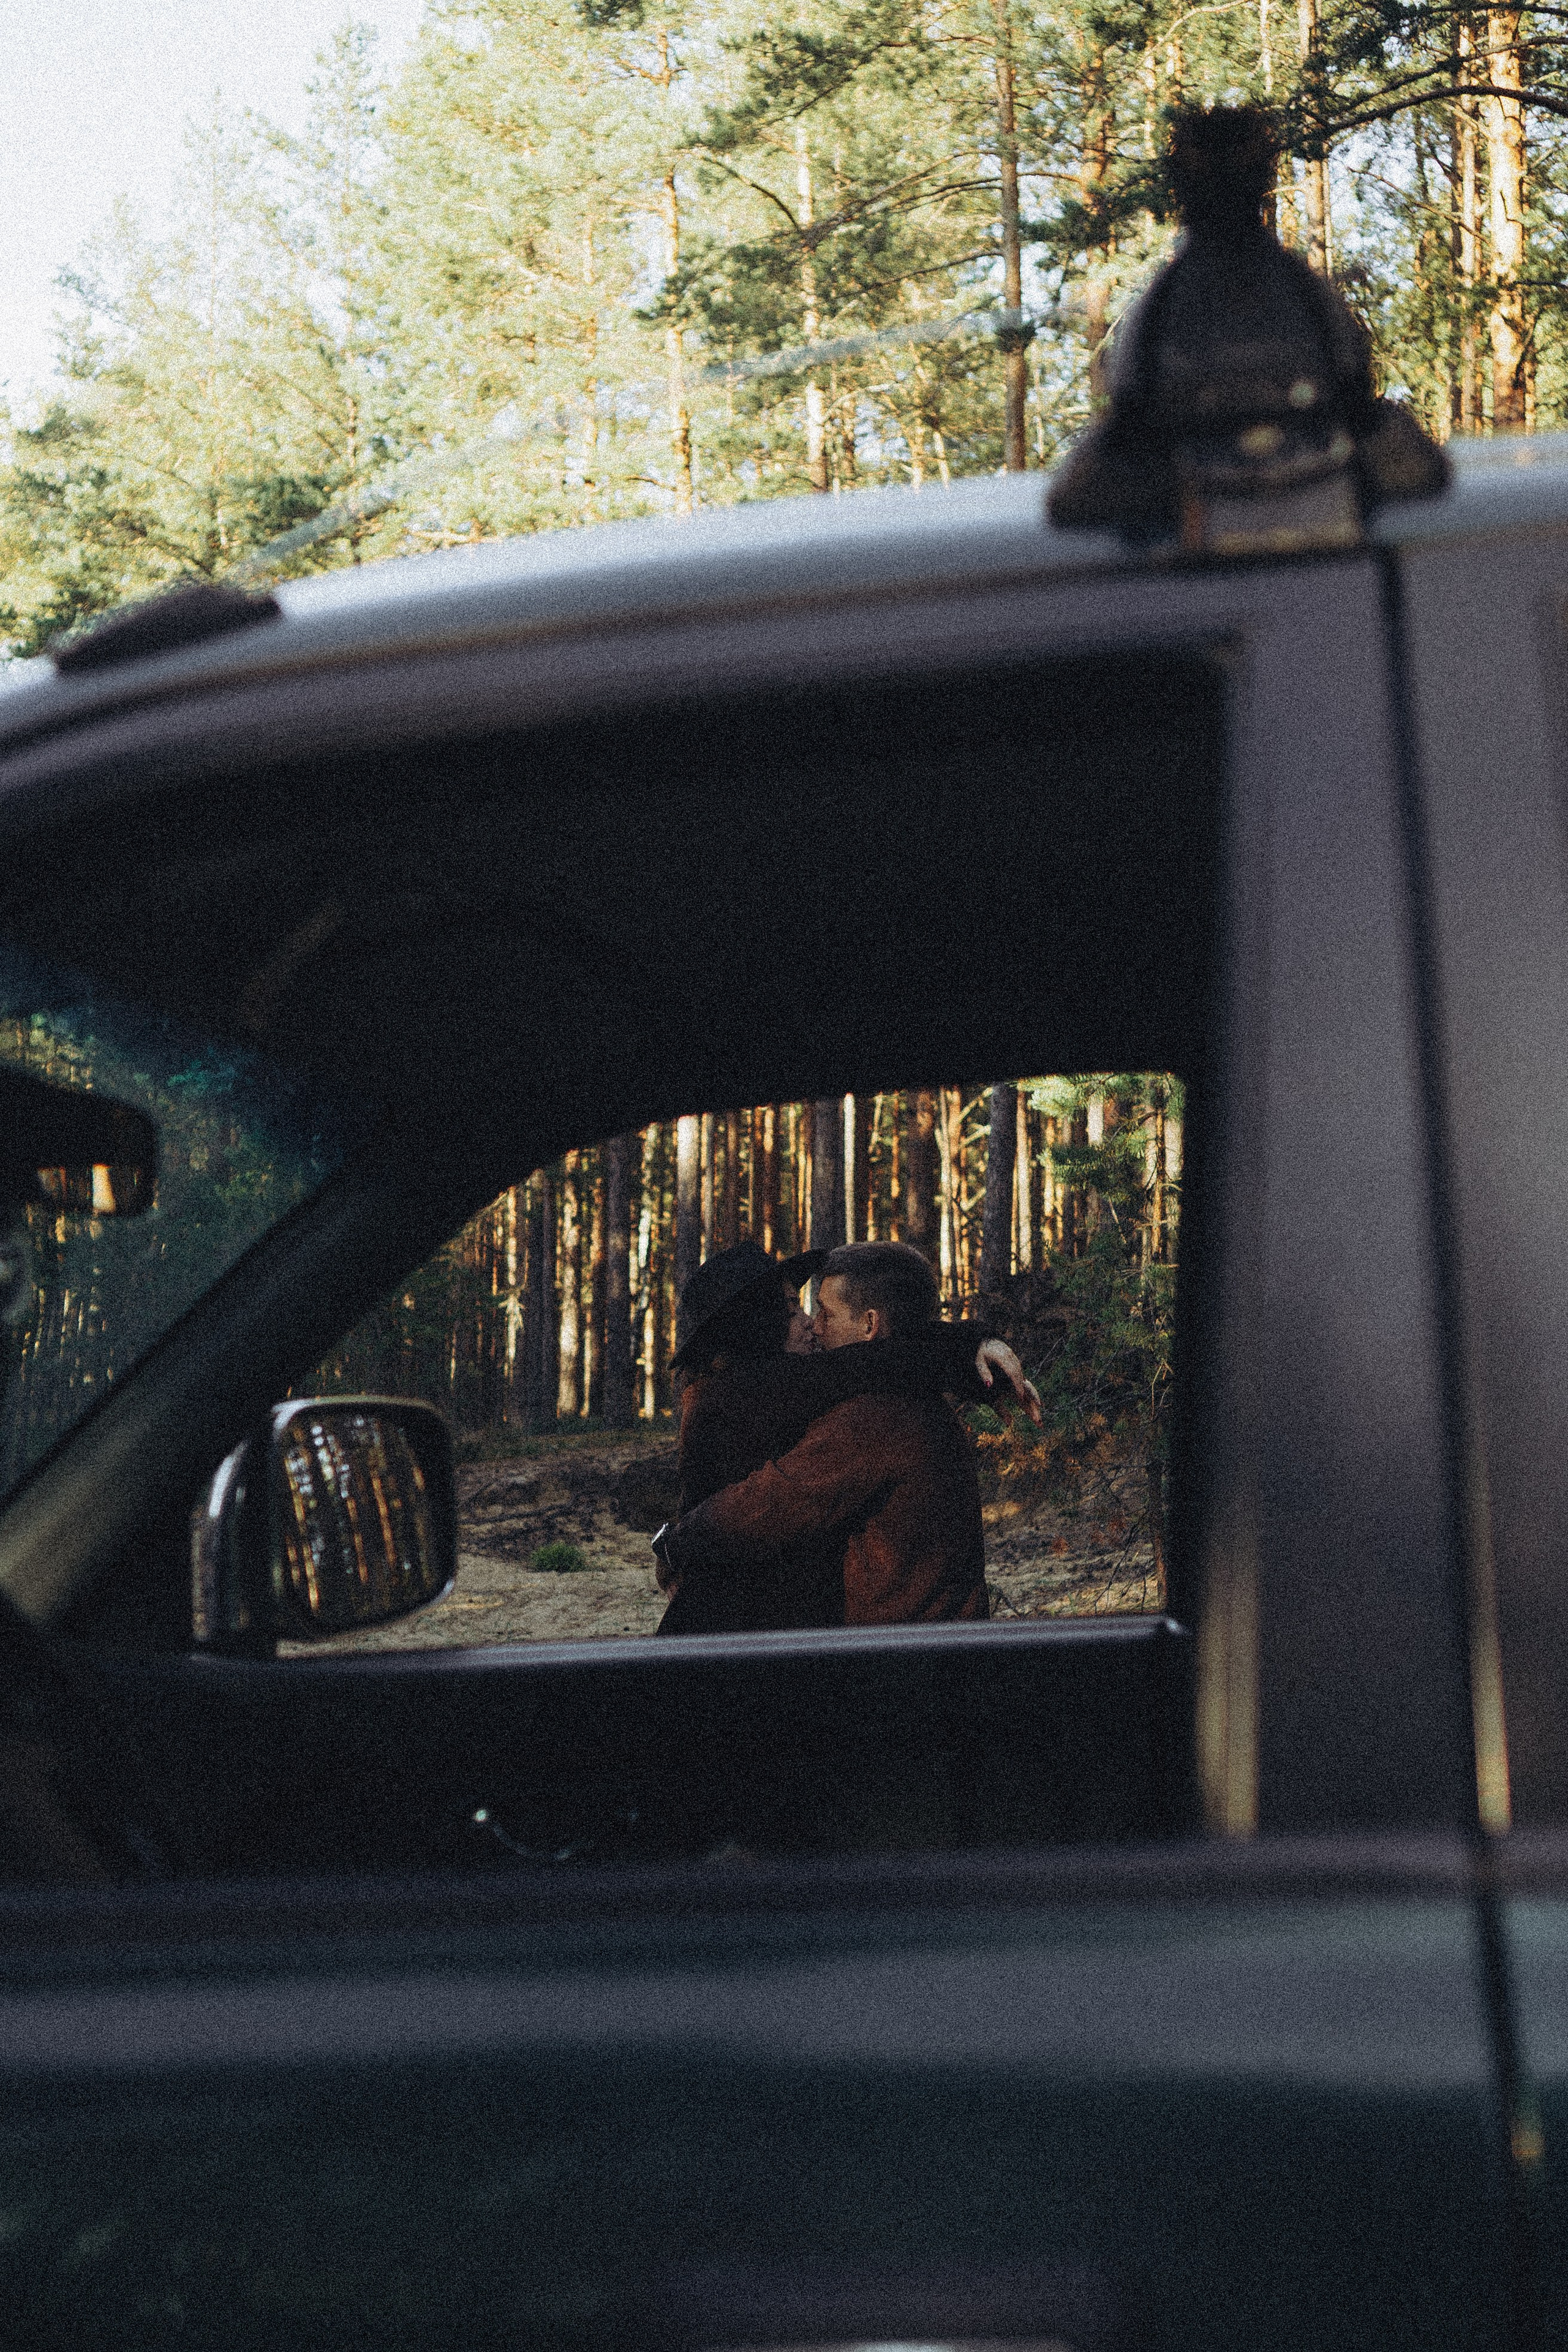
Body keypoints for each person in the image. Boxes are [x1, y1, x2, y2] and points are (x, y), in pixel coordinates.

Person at [655, 1238, 1035, 1635]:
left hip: (897, 1656)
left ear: (870, 1323)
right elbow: (870, 1363)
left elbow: (873, 1363)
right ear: (754, 1325)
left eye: (824, 1312)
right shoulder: (744, 1396)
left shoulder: (874, 1413)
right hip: (878, 1649)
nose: (812, 1324)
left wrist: (674, 1543)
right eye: (792, 1309)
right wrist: (966, 1351)